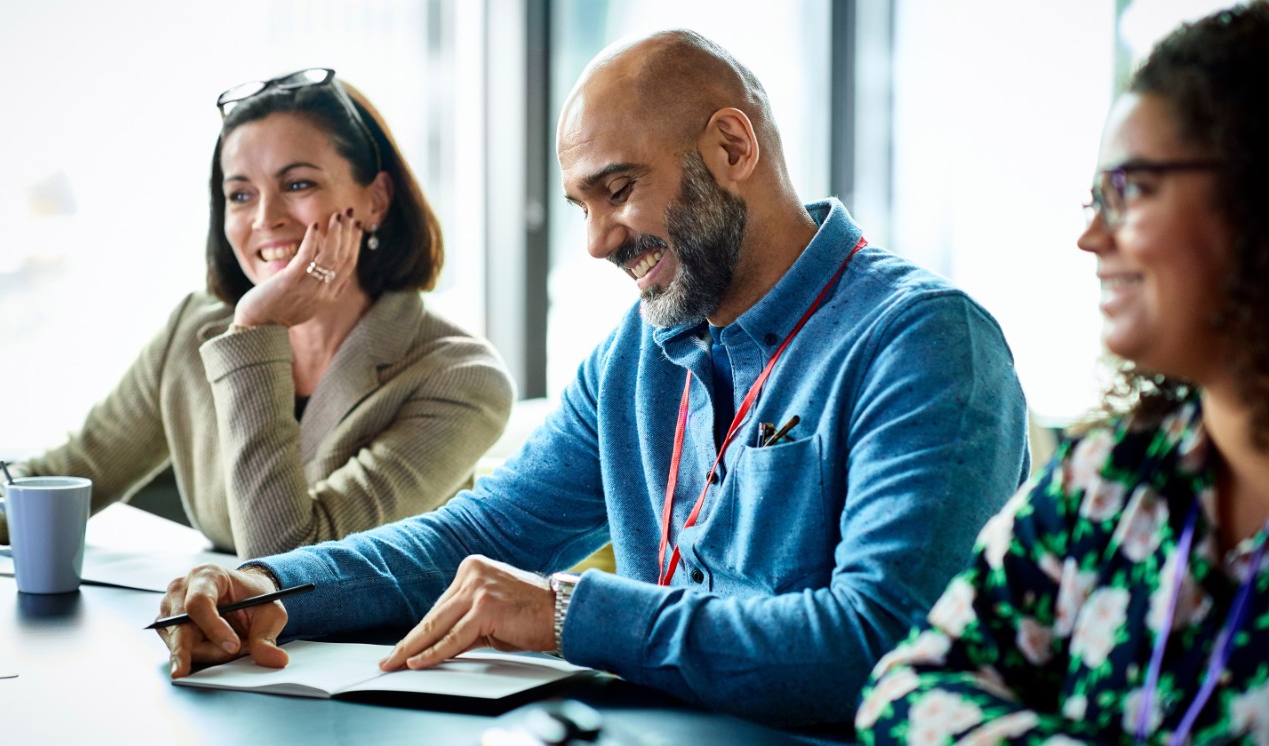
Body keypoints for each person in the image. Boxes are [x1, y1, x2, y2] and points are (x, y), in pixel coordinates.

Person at [158, 33, 1030, 732]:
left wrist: (573, 612)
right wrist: (270, 585)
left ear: (732, 147)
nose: (597, 242)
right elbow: (481, 534)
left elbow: (879, 647)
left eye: (618, 190)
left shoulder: (926, 343)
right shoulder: (639, 353)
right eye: (581, 204)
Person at [857, 4, 1269, 744]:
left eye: (1132, 189)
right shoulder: (1108, 480)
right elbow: (904, 688)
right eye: (1096, 196)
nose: (1090, 236)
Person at [0, 69, 514, 559]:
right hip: (217, 651)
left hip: (375, 653)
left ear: (375, 200)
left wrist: (258, 332)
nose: (266, 218)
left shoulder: (462, 380)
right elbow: (63, 475)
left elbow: (288, 562)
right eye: (240, 194)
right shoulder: (194, 330)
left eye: (298, 184)